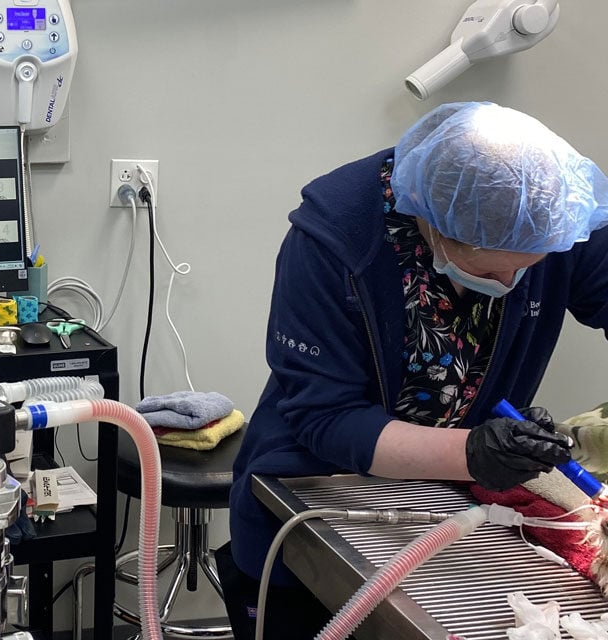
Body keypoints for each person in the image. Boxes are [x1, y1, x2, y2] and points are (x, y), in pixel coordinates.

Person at [222, 101, 608, 639]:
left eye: (529, 267)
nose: (513, 284)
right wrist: (473, 453)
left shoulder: (547, 210)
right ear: (432, 226)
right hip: (318, 493)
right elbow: (327, 417)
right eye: (495, 271)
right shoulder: (336, 241)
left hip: (456, 512)